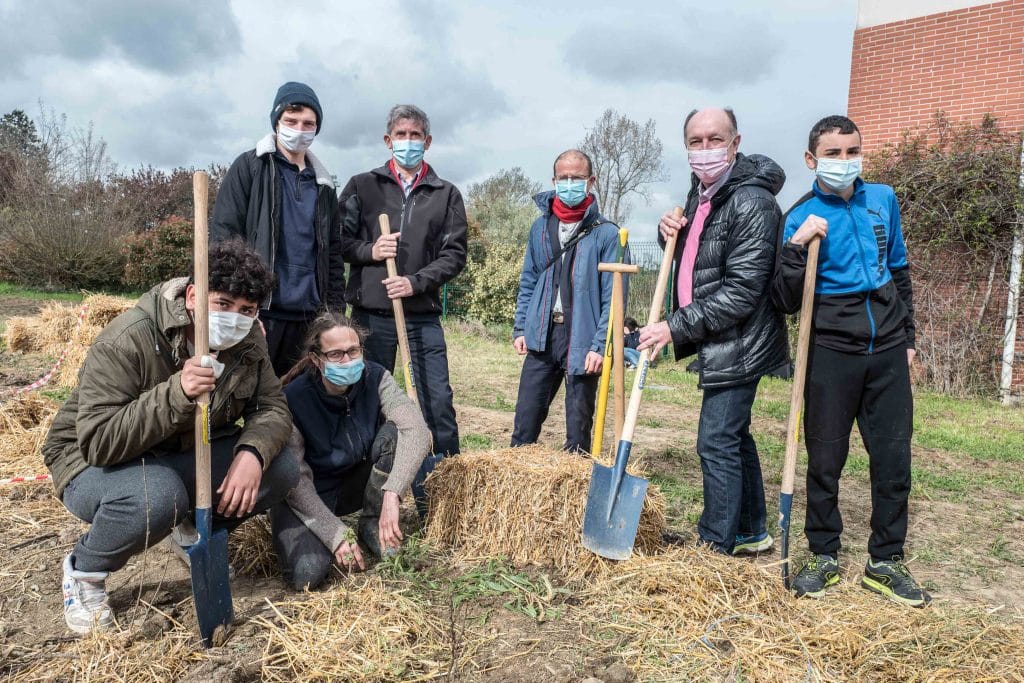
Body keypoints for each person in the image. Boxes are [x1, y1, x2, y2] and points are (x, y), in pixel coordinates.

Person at [43, 240, 298, 636]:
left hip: (179, 452)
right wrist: (176, 393)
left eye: (247, 310)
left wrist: (253, 451)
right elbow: (98, 441)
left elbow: (273, 408)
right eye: (224, 303)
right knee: (158, 495)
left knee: (279, 467)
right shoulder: (129, 337)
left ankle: (191, 531)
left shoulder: (248, 341)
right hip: (91, 461)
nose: (235, 318)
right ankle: (85, 570)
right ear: (193, 295)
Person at [771, 115, 928, 607]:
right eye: (833, 154)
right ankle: (823, 554)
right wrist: (796, 250)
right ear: (811, 159)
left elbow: (898, 271)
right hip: (831, 347)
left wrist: (907, 336)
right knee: (825, 458)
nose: (845, 162)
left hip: (885, 346)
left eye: (852, 151)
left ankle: (885, 560)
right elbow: (783, 298)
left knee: (893, 457)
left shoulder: (882, 199)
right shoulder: (798, 216)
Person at [638, 108, 788, 556]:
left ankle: (714, 545)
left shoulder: (751, 201)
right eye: (696, 142)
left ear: (735, 144)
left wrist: (673, 326)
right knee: (735, 437)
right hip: (721, 337)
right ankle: (750, 530)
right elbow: (701, 259)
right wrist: (669, 235)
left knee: (716, 440)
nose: (705, 150)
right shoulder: (703, 194)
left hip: (740, 340)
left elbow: (742, 291)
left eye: (714, 139)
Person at [338, 104, 467, 460]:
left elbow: (454, 254)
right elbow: (337, 242)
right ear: (387, 140)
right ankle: (369, 488)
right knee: (365, 400)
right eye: (400, 135)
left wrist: (415, 282)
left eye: (415, 136)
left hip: (421, 318)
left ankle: (442, 489)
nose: (407, 142)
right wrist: (371, 250)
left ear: (427, 141)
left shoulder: (445, 193)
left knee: (436, 401)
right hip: (370, 317)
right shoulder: (363, 186)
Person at [269, 312, 430, 590]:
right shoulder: (293, 400)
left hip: (356, 481)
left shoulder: (376, 377)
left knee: (395, 433)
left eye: (354, 351)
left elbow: (418, 430)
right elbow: (296, 481)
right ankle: (309, 533)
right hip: (310, 493)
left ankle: (371, 523)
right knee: (308, 573)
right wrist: (334, 533)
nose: (348, 361)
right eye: (336, 354)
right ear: (317, 360)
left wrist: (393, 493)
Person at [211, 81, 343, 376]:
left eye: (308, 123)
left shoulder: (323, 187)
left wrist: (334, 315)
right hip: (262, 311)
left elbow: (333, 256)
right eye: (291, 121)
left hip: (309, 316)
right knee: (244, 392)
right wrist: (238, 307)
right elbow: (224, 239)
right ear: (277, 121)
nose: (299, 129)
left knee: (297, 397)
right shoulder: (249, 168)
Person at [510, 149, 621, 453]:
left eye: (577, 177)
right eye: (564, 178)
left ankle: (579, 492)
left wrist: (600, 346)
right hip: (543, 335)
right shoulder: (539, 228)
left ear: (591, 181)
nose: (570, 183)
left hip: (582, 339)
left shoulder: (607, 234)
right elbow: (529, 280)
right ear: (554, 180)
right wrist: (521, 328)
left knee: (578, 431)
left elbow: (613, 298)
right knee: (525, 422)